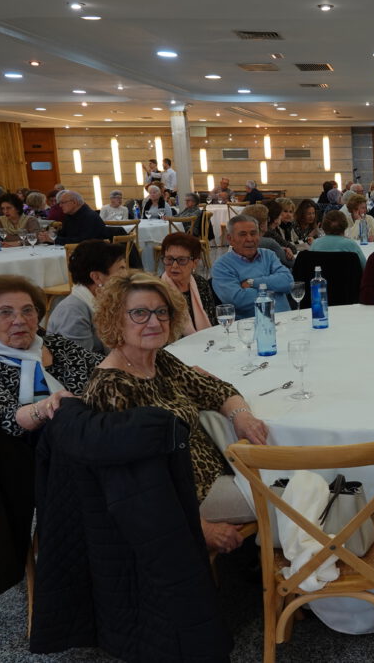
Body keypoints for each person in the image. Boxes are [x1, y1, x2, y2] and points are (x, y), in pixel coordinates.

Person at [82, 271, 268, 554]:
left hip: (221, 472)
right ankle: (308, 573)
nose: (154, 322)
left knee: (305, 480)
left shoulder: (158, 360)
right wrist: (200, 528)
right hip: (188, 499)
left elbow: (215, 389)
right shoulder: (112, 387)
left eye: (161, 312)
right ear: (115, 318)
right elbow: (132, 484)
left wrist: (241, 415)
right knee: (298, 495)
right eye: (140, 313)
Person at [0, 275, 102, 439]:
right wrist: (46, 407)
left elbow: (103, 368)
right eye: (6, 313)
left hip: (89, 429)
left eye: (27, 310)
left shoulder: (57, 345)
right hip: (33, 447)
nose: (19, 320)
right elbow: (8, 419)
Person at [47, 240, 128, 353]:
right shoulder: (73, 312)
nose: (126, 275)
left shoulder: (108, 301)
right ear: (97, 277)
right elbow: (81, 361)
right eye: (121, 269)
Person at [212, 214, 293, 318]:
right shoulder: (222, 266)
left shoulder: (268, 255)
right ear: (230, 239)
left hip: (286, 319)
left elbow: (288, 282)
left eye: (253, 233)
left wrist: (252, 282)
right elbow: (238, 300)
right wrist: (275, 289)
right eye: (243, 234)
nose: (249, 239)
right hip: (252, 324)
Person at [159, 232, 218, 335]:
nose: (174, 265)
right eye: (169, 259)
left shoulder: (201, 283)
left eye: (182, 260)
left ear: (195, 263)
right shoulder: (158, 289)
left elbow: (212, 321)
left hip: (205, 341)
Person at [44, 190, 111, 245]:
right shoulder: (69, 215)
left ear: (74, 202)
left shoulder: (90, 217)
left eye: (63, 202)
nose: (60, 206)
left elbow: (83, 242)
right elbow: (63, 235)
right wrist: (49, 236)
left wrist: (55, 240)